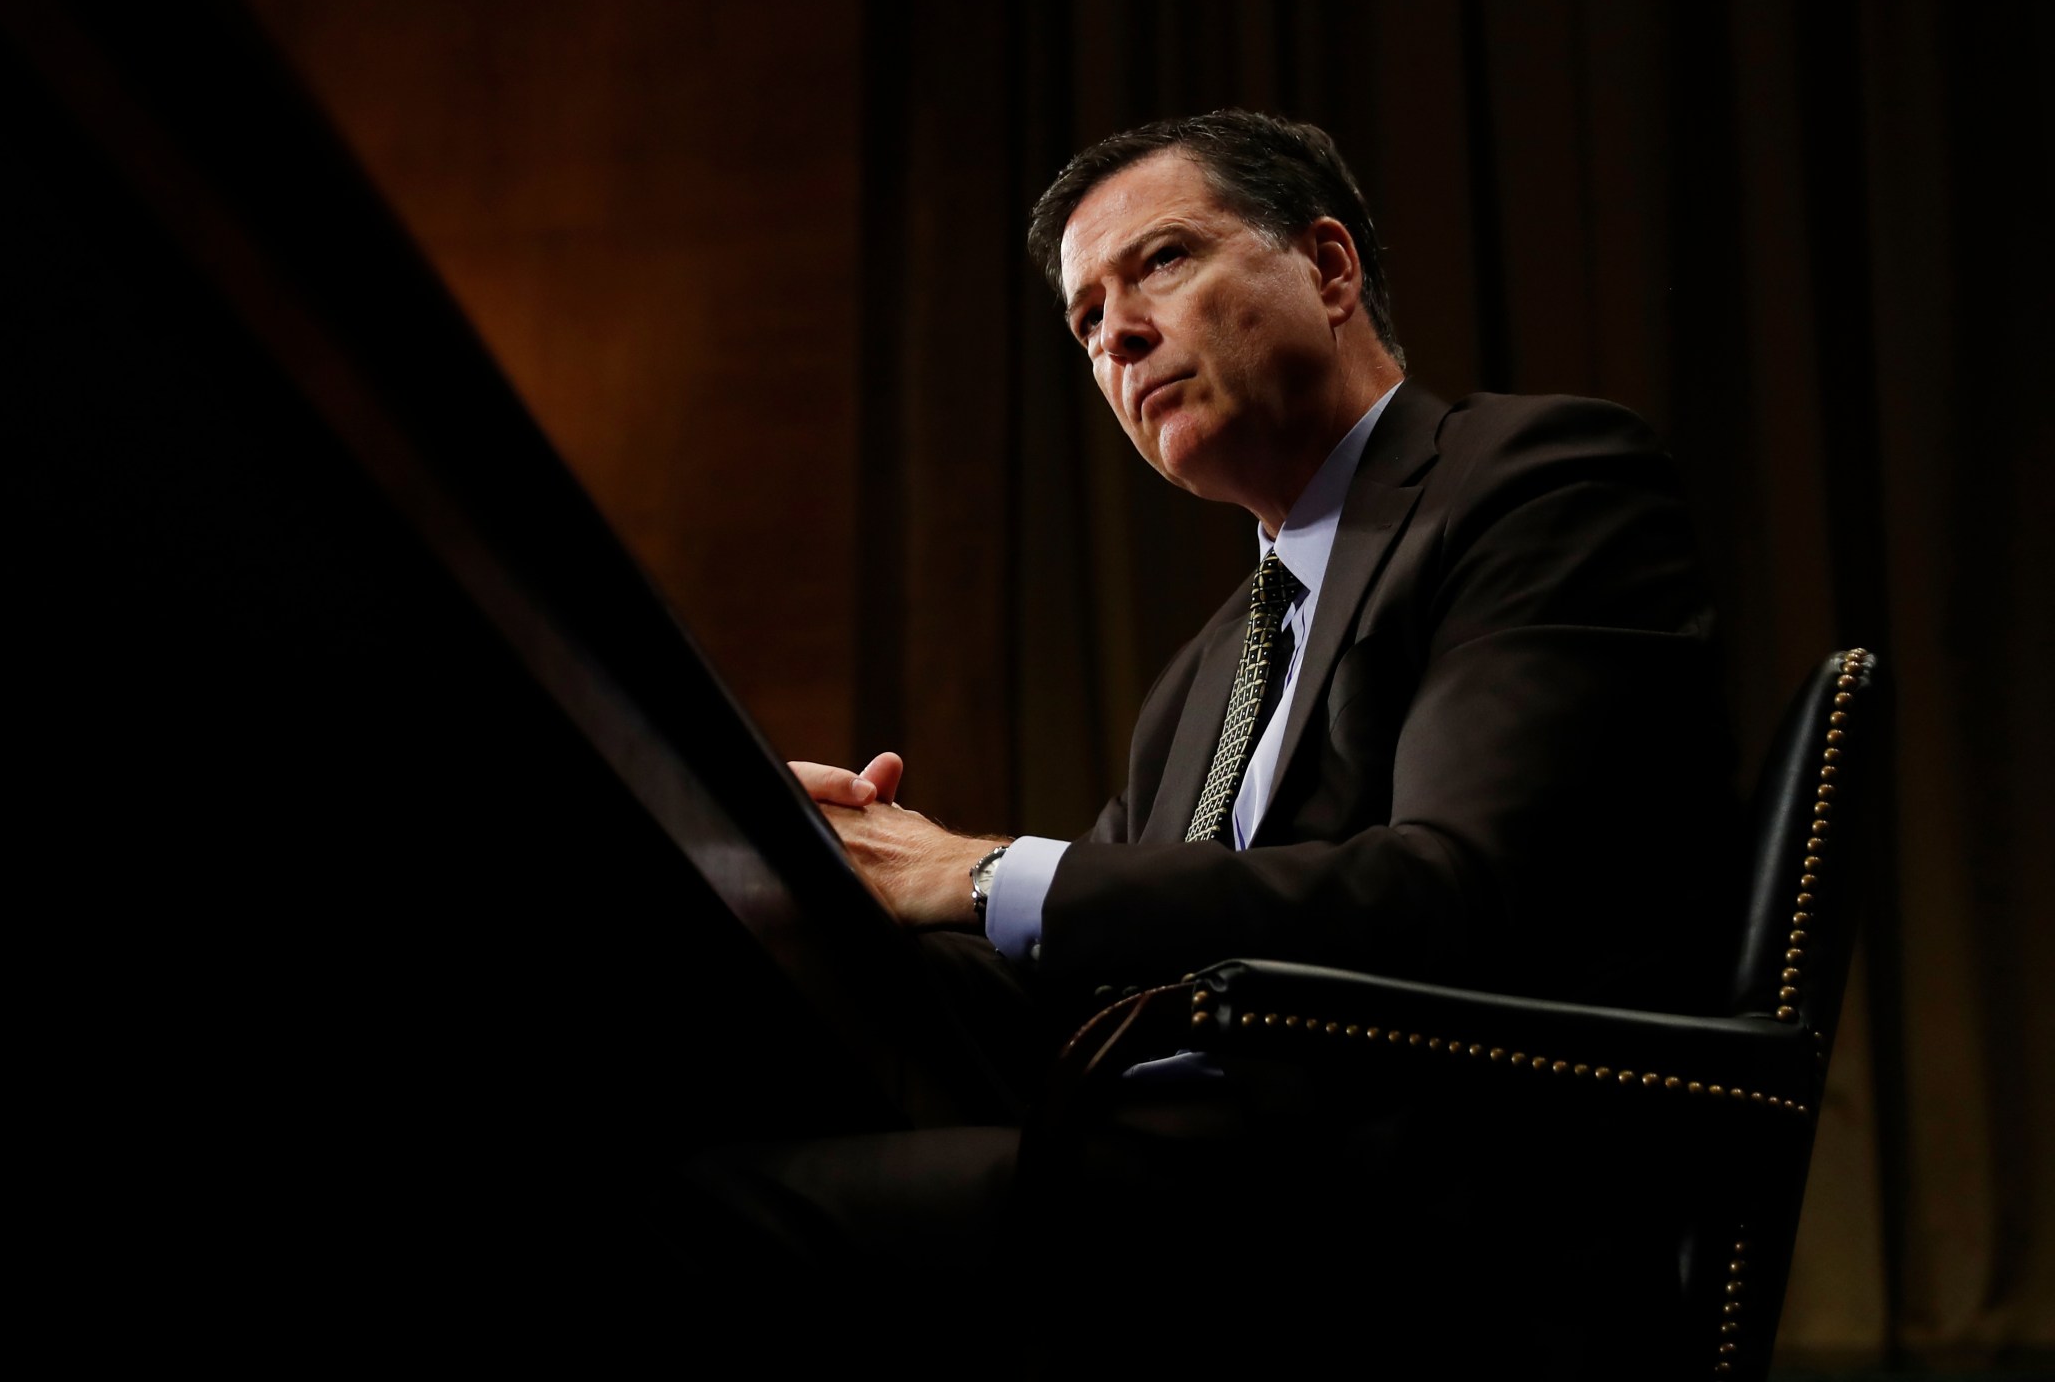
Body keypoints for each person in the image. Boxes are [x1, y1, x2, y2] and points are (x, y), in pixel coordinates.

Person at [685, 111, 1743, 1377]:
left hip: (1419, 1225)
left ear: (1329, 268)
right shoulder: (1207, 670)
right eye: (1085, 319)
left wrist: (973, 871)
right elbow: (1083, 983)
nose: (1116, 335)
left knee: (712, 1224)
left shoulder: (1536, 484)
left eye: (1163, 262)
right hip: (1199, 1182)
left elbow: (1458, 894)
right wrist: (800, 876)